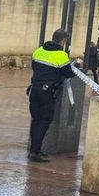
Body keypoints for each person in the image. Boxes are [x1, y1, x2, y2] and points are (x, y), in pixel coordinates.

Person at [27, 29, 83, 163]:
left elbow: (35, 67)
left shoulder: (39, 51)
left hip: (34, 89)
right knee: (44, 121)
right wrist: (78, 65)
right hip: (47, 92)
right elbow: (68, 73)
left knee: (36, 120)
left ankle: (33, 150)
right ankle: (36, 152)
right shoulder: (61, 55)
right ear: (63, 41)